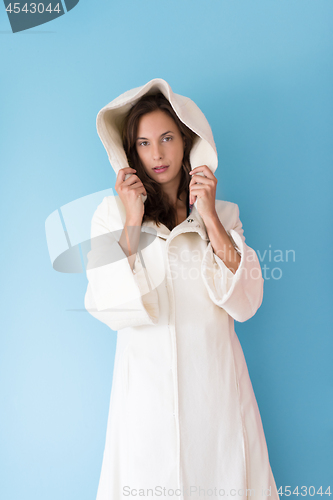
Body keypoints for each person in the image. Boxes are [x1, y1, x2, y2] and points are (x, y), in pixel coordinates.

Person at [84, 78, 279, 500]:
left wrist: (209, 218)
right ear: (130, 152)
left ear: (187, 141)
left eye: (167, 138)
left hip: (217, 391)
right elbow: (107, 304)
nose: (157, 154)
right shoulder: (110, 216)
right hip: (146, 397)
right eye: (144, 143)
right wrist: (132, 221)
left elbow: (247, 301)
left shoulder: (225, 215)